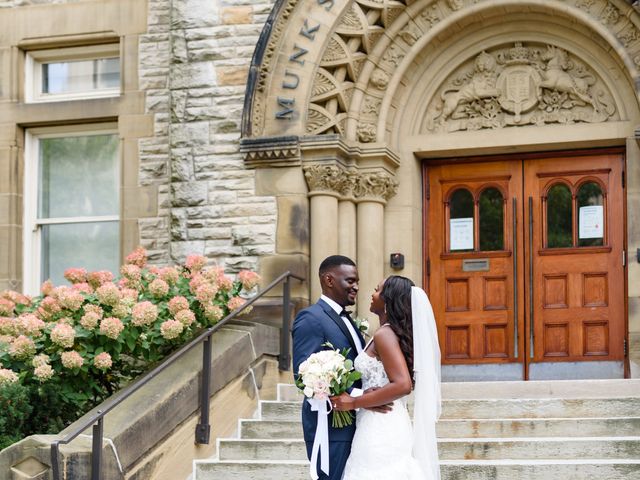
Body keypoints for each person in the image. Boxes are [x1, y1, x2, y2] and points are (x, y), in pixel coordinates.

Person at [330, 275, 442, 480]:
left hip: (381, 426)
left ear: (389, 299)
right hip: (379, 420)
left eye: (377, 290)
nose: (372, 294)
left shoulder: (385, 335)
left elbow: (403, 384)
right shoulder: (386, 333)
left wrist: (354, 402)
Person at [292, 255, 388, 480]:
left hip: (357, 421)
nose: (356, 287)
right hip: (330, 426)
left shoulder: (349, 320)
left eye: (357, 282)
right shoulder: (311, 318)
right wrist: (358, 396)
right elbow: (303, 375)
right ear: (329, 280)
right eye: (350, 281)